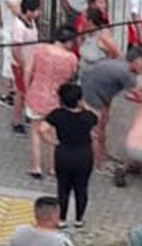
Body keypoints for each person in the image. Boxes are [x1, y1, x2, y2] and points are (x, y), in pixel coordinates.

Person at [80, 46, 142, 170]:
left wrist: (140, 91)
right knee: (97, 130)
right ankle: (99, 164)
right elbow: (132, 96)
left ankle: (102, 155)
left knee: (102, 126)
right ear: (134, 61)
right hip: (92, 94)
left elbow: (130, 90)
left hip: (97, 91)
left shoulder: (122, 66)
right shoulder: (126, 73)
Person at [39, 83, 98, 227]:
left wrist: (53, 142)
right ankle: (78, 219)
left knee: (63, 188)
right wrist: (85, 106)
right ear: (79, 100)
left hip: (63, 154)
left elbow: (42, 129)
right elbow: (96, 122)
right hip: (84, 155)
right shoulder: (88, 117)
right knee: (82, 188)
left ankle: (61, 219)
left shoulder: (57, 115)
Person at [24, 25, 80, 177]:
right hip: (56, 99)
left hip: (36, 93)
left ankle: (36, 166)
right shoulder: (71, 58)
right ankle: (53, 167)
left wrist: (26, 88)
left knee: (35, 131)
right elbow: (71, 77)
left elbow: (28, 70)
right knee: (54, 132)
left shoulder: (39, 49)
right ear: (68, 41)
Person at [0, 0, 36, 113]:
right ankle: (5, 94)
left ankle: (14, 90)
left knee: (22, 59)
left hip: (26, 28)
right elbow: (16, 8)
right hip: (12, 29)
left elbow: (32, 1)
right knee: (10, 61)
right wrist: (25, 6)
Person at [9, 0, 41, 137]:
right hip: (21, 65)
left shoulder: (31, 22)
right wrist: (23, 65)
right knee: (20, 93)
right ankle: (16, 121)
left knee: (28, 91)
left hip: (30, 63)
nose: (38, 13)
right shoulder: (19, 26)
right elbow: (15, 48)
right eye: (35, 10)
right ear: (28, 11)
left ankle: (27, 114)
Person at [77, 7, 121, 72]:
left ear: (90, 21)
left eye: (83, 18)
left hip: (98, 77)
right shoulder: (84, 34)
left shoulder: (103, 36)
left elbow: (118, 56)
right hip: (84, 77)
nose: (81, 20)